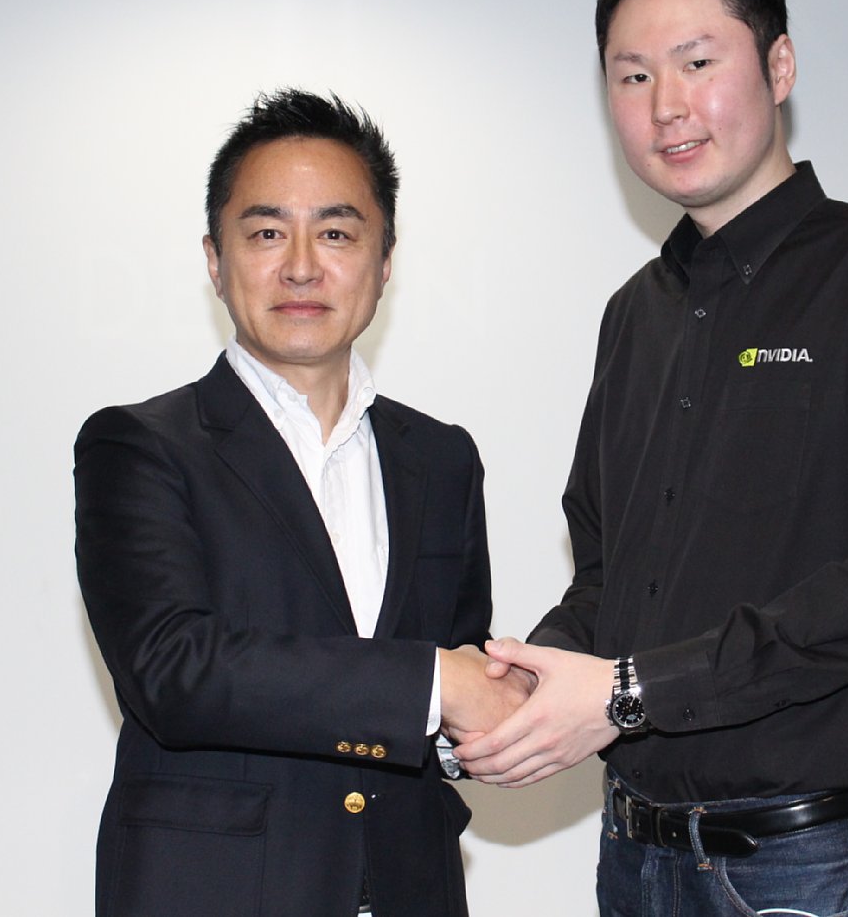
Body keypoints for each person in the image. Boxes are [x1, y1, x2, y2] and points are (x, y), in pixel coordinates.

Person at [454, 0, 848, 916]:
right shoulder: (635, 315)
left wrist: (629, 693)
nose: (667, 105)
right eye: (632, 76)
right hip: (634, 858)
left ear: (779, 66)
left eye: (697, 62)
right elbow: (613, 579)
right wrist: (519, 682)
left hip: (802, 863)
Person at [75, 89, 525, 917]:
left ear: (385, 263)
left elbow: (456, 674)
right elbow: (175, 670)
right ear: (215, 261)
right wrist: (436, 684)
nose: (303, 266)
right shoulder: (139, 446)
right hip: (215, 895)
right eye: (267, 233)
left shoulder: (442, 459)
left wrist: (495, 722)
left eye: (338, 233)